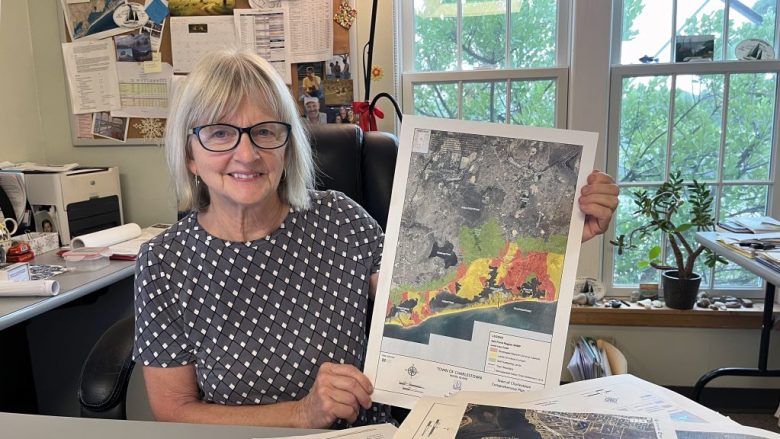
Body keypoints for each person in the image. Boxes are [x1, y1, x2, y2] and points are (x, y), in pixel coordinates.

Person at [133, 48, 618, 430]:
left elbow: (437, 302)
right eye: (220, 134)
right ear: (190, 154)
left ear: (287, 145)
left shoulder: (340, 220)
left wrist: (559, 235)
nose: (247, 153)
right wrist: (301, 414)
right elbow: (175, 410)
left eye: (265, 131)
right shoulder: (163, 262)